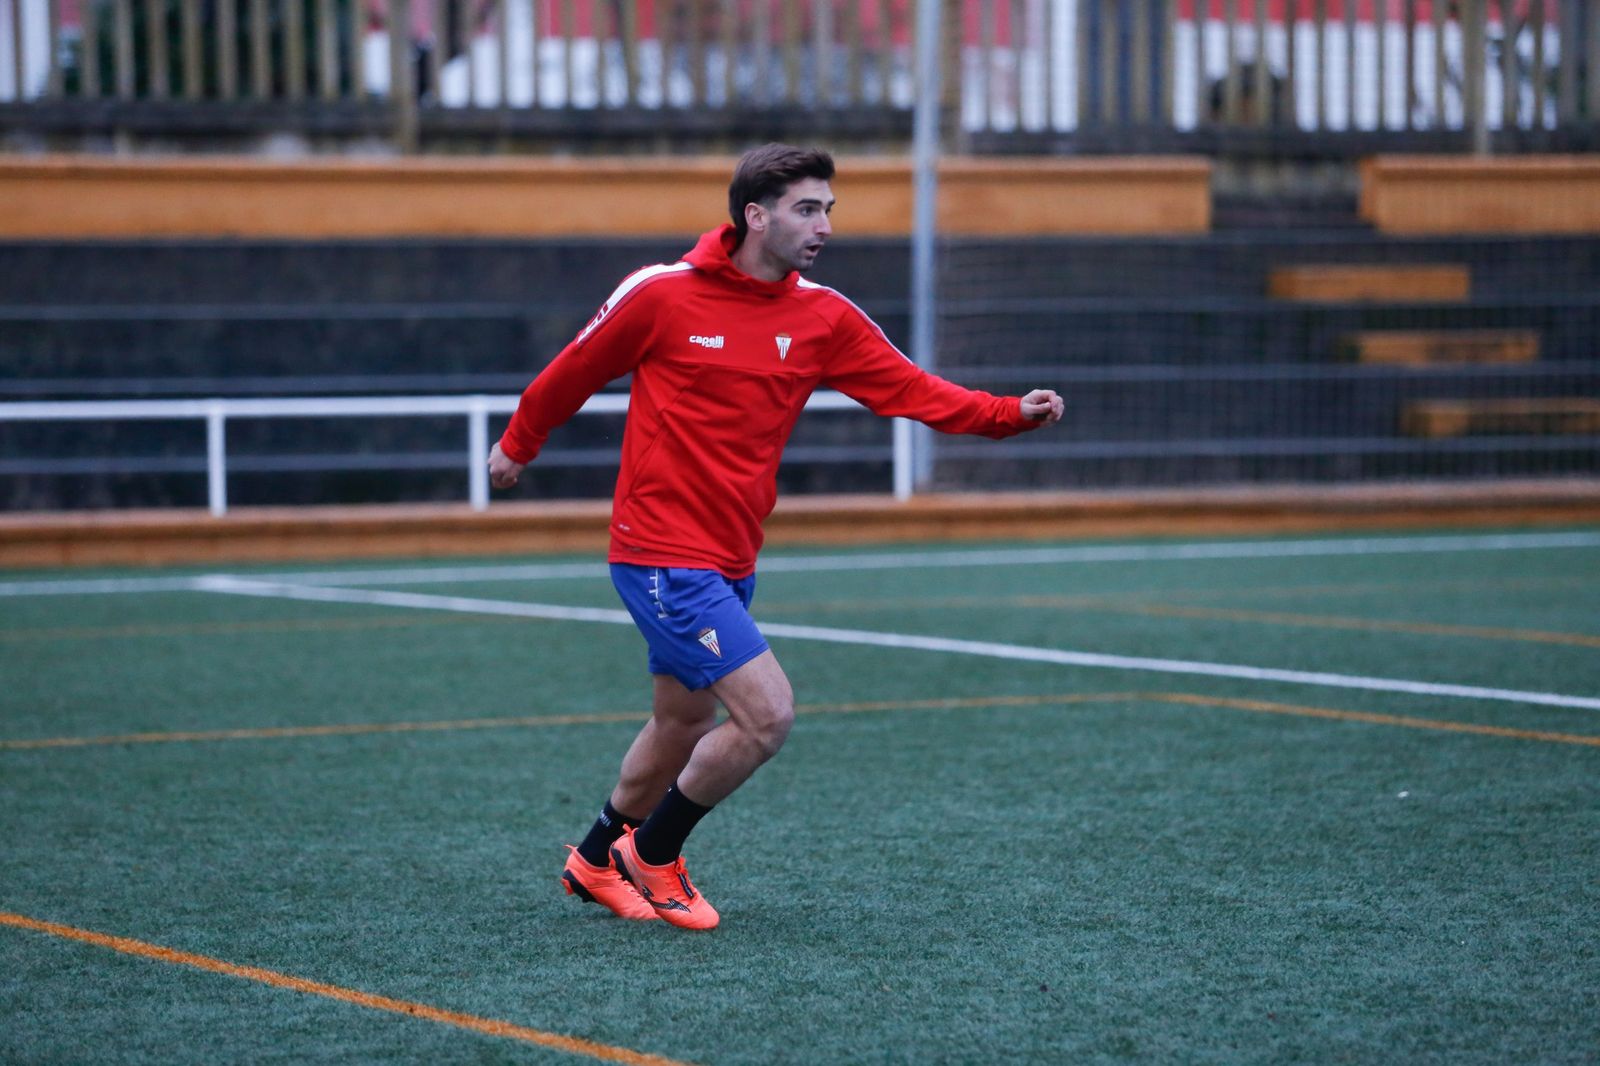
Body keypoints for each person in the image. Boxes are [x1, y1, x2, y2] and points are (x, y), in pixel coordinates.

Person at [488, 143, 1064, 931]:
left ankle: (593, 860)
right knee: (768, 717)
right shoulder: (662, 294)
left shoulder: (823, 315)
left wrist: (1004, 414)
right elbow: (572, 372)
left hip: (731, 557)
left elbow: (909, 388)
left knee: (682, 724)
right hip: (659, 550)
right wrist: (517, 445)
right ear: (755, 216)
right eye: (806, 208)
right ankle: (653, 855)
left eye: (828, 209)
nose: (823, 224)